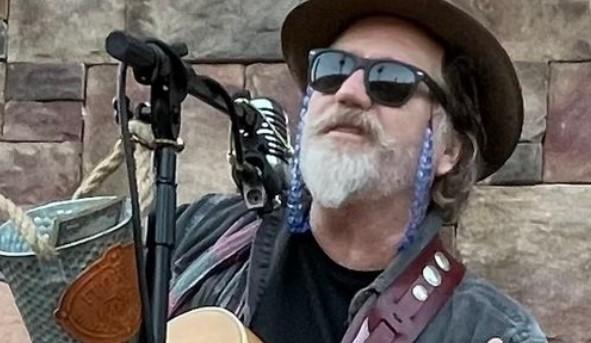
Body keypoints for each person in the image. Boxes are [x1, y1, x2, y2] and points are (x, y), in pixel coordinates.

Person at [168, 0, 548, 342]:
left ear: (449, 150)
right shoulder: (195, 235)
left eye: (390, 81)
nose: (348, 92)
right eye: (332, 69)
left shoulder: (491, 333)